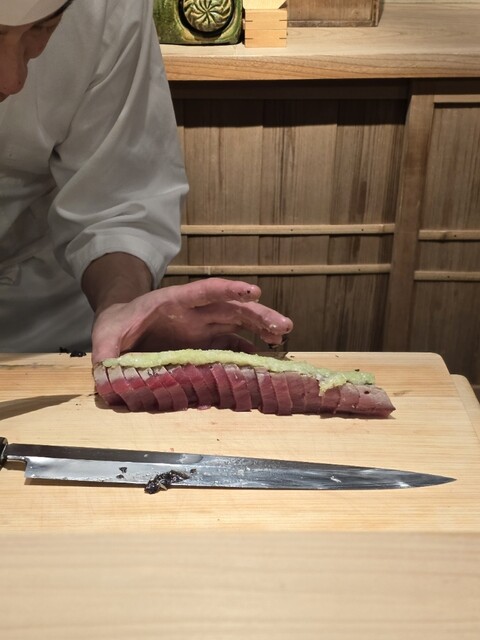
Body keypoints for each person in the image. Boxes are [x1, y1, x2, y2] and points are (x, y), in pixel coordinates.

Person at [0, 0, 293, 364]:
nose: (13, 80)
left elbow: (116, 199)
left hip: (40, 323)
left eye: (43, 27)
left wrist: (122, 309)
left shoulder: (108, 6)